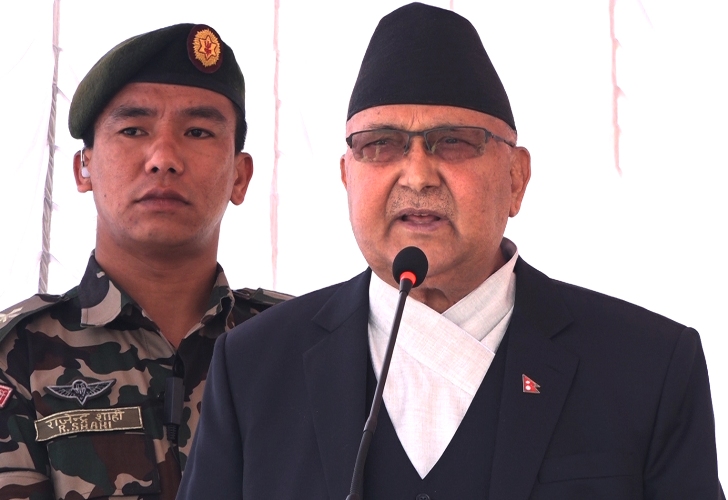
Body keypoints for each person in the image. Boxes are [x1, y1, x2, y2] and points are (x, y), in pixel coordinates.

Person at [179, 4, 724, 499]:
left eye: (455, 142)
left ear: (516, 178)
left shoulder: (646, 367)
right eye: (380, 145)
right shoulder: (254, 368)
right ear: (347, 177)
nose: (417, 175)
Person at [0, 23, 289, 500]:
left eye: (198, 132)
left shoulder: (297, 344)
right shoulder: (17, 356)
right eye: (133, 130)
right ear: (83, 168)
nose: (163, 158)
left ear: (240, 177)